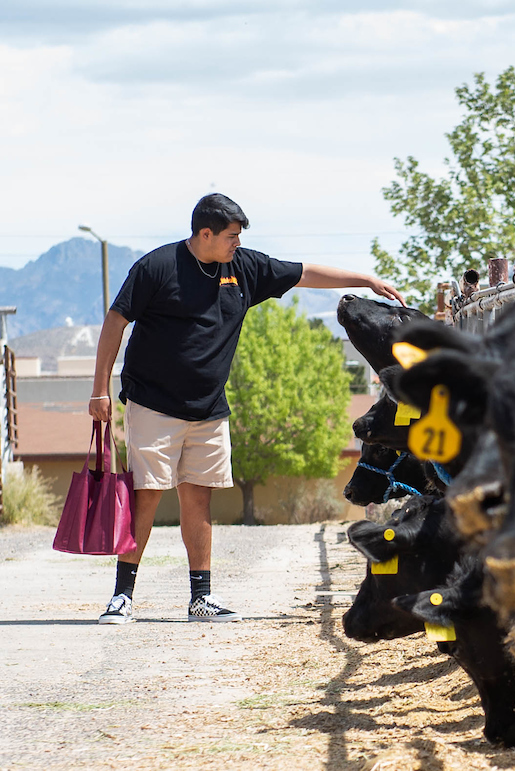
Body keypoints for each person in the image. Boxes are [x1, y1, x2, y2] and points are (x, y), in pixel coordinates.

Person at [89, 193, 404, 624]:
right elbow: (115, 321)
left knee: (198, 501)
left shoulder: (243, 267)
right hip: (153, 405)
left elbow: (303, 272)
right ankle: (122, 596)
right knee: (146, 498)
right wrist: (99, 390)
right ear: (205, 234)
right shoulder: (156, 267)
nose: (237, 243)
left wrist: (364, 281)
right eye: (231, 236)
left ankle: (201, 598)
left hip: (209, 409)